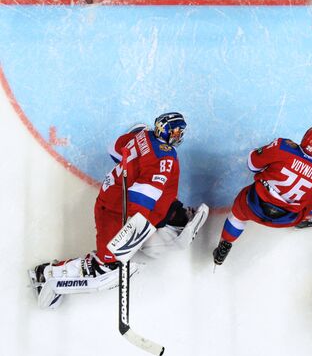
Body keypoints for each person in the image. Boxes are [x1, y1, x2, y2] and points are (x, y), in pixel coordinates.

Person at [29, 112, 209, 309]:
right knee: (105, 267)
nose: (178, 135)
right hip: (114, 211)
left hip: (113, 198)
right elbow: (142, 196)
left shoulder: (143, 135)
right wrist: (132, 229)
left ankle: (174, 216)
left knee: (160, 202)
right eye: (176, 131)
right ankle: (45, 275)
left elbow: (114, 149)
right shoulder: (164, 157)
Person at [213, 126, 312, 266]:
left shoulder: (282, 147)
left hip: (254, 206)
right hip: (286, 219)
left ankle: (225, 244)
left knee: (238, 214)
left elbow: (252, 164)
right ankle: (306, 218)